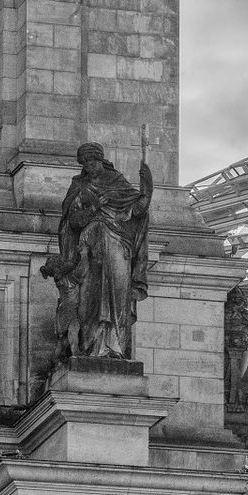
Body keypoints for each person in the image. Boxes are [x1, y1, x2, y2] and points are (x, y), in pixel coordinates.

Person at [42, 142, 152, 359]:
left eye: (92, 161)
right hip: (90, 250)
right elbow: (72, 222)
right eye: (84, 163)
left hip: (118, 246)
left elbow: (139, 209)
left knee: (118, 296)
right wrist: (94, 208)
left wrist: (148, 187)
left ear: (100, 160)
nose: (89, 166)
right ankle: (90, 347)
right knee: (90, 301)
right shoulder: (80, 186)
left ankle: (114, 347)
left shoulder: (118, 182)